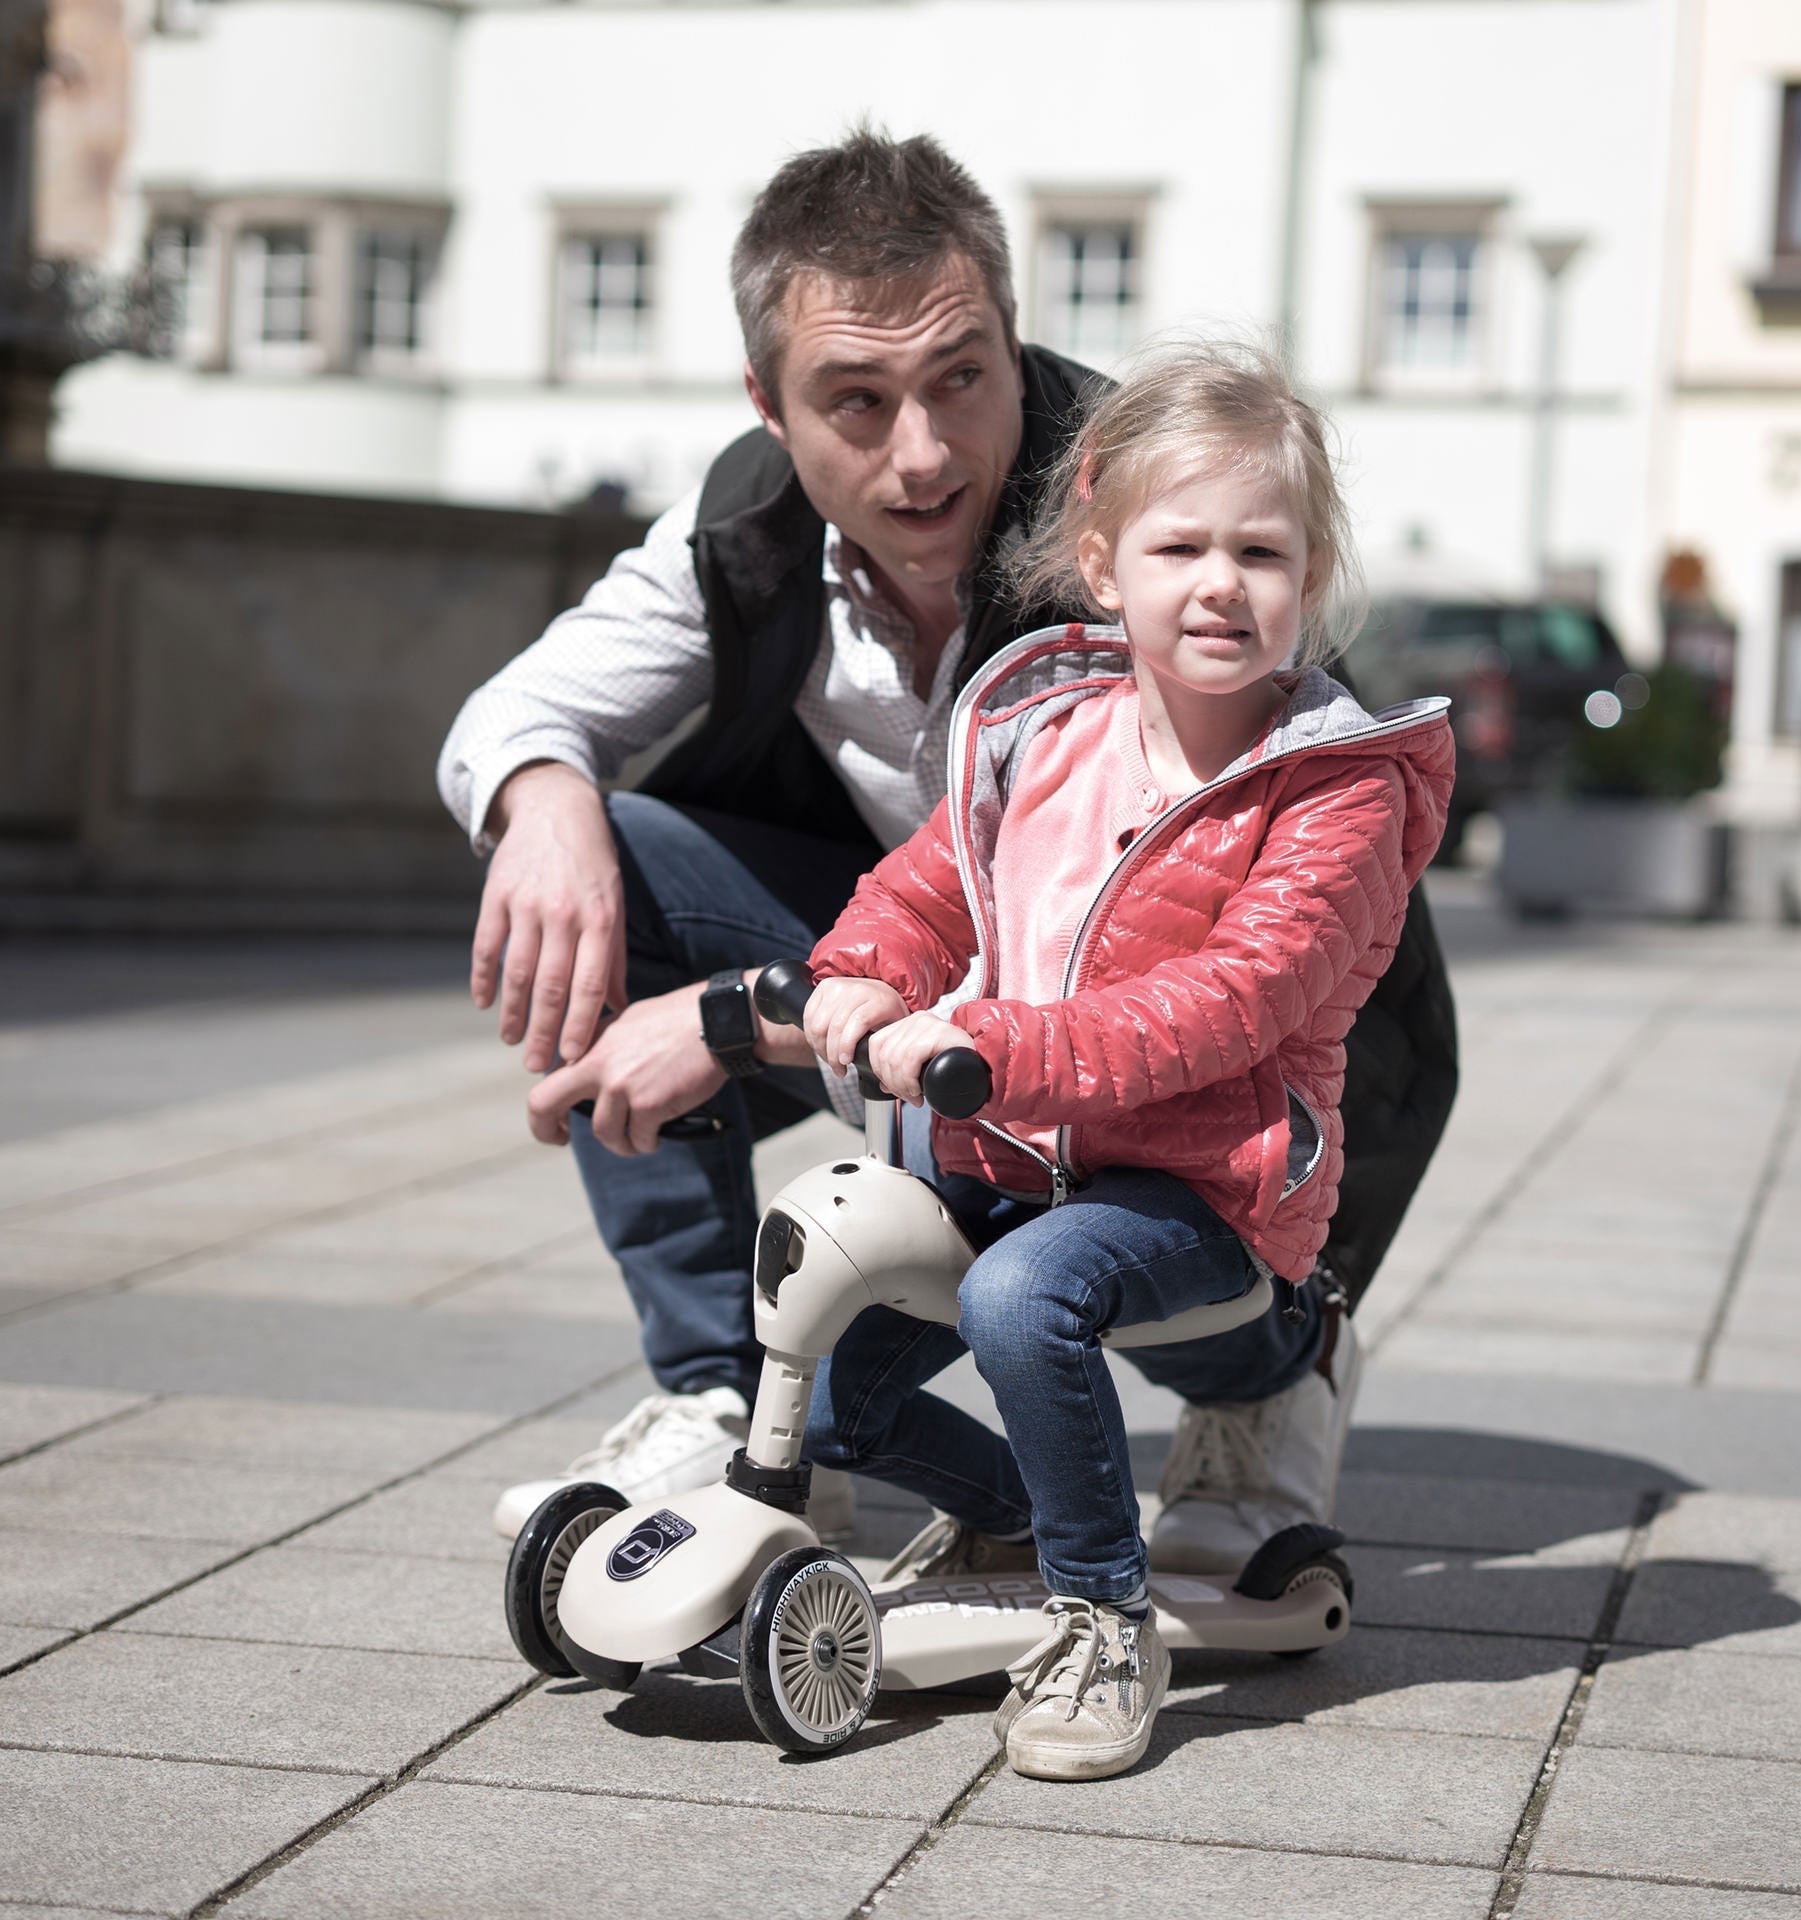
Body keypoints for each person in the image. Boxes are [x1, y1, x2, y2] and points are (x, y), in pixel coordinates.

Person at [436, 129, 1458, 1559]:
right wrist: (548, 806)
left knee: (1191, 1237)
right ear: (768, 405)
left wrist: (737, 1020)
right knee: (596, 854)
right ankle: (722, 1403)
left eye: (961, 377)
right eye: (856, 401)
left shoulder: (1166, 507)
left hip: (1239, 1040)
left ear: (1014, 345)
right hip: (948, 991)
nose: (921, 454)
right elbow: (516, 716)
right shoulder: (744, 525)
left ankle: (1279, 1376)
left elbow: (1268, 963)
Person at [796, 339, 1454, 1780]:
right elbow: (935, 884)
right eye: (1180, 547)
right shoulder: (1047, 736)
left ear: (1311, 577)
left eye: (1261, 553)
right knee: (838, 1379)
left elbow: (1234, 1000)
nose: (1221, 584)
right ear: (1103, 568)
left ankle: (1103, 1617)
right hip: (1018, 1151)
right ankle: (1018, 1520)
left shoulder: (1335, 791)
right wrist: (863, 973)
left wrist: (983, 1042)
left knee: (1020, 1294)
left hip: (1208, 1188)